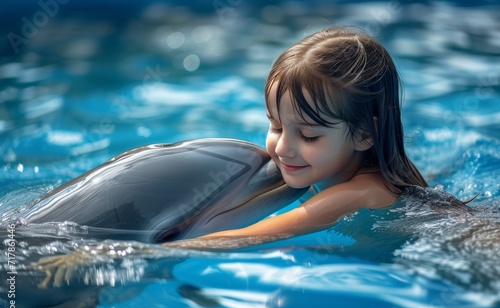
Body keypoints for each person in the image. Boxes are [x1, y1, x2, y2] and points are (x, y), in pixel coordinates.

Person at [32, 26, 430, 285]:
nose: (281, 149)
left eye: (308, 135)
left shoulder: (356, 195)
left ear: (365, 134)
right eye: (275, 126)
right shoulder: (364, 174)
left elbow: (243, 238)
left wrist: (115, 255)